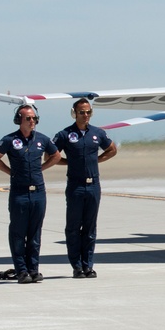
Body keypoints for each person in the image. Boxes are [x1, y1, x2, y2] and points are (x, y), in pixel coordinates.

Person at [0, 104, 61, 284]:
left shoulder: (42, 140)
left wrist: (41, 168)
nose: (32, 121)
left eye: (34, 118)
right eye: (28, 118)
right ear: (18, 120)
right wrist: (10, 172)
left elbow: (57, 156)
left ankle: (33, 269)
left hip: (38, 192)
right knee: (18, 233)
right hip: (19, 193)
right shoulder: (9, 140)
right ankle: (21, 271)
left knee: (35, 234)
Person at [53, 98, 117, 279]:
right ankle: (77, 266)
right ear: (74, 113)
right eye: (82, 112)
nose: (85, 115)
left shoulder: (97, 133)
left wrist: (97, 160)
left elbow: (111, 150)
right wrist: (70, 164)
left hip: (93, 185)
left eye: (88, 112)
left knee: (90, 228)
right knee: (74, 227)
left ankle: (88, 265)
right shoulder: (65, 134)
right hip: (76, 186)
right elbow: (52, 155)